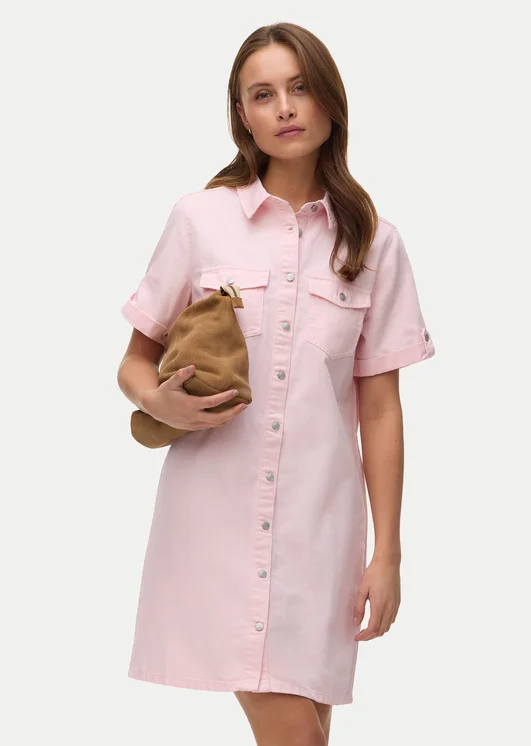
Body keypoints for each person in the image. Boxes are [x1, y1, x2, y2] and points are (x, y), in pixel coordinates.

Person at [117, 21, 436, 746]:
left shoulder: (374, 242)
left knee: (307, 734)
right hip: (214, 525)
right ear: (242, 115)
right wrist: (155, 399)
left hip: (318, 534)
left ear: (330, 100)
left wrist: (387, 552)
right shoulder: (199, 219)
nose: (285, 107)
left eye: (299, 88)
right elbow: (134, 361)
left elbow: (380, 407)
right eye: (262, 94)